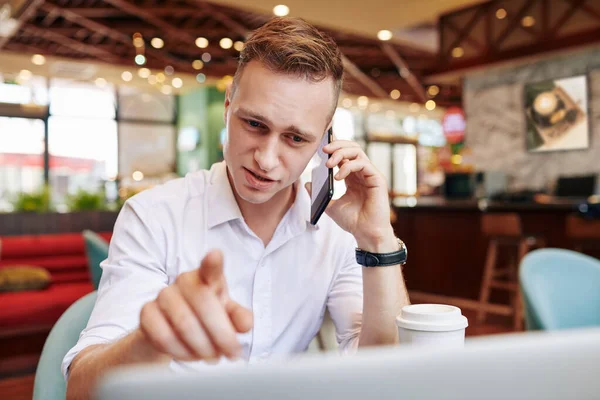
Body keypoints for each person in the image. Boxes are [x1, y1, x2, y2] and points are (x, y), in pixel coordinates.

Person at [64, 17, 409, 400]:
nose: (266, 159)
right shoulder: (153, 216)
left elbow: (383, 372)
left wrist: (377, 238)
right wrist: (151, 340)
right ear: (228, 105)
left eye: (295, 138)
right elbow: (80, 389)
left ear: (324, 140)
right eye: (254, 124)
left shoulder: (336, 231)